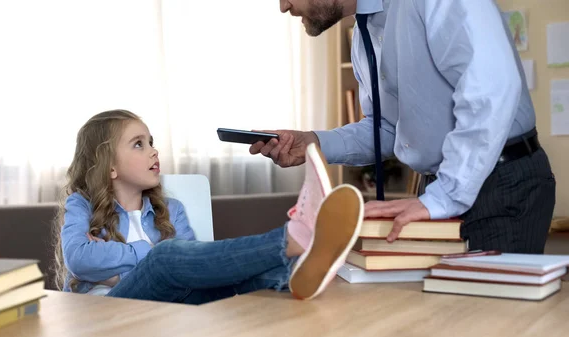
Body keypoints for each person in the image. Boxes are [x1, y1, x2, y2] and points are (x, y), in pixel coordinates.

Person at [251, 0, 556, 253]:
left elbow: (491, 89)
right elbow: (388, 129)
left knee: (488, 322)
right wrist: (314, 143)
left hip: (499, 183)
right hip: (443, 185)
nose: (283, 5)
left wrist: (444, 196)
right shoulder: (364, 34)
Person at [52, 109, 364, 304]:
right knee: (165, 256)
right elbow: (79, 260)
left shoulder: (171, 209)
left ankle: (294, 272)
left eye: (151, 141)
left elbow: (193, 268)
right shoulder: (81, 204)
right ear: (109, 168)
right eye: (139, 144)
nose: (153, 151)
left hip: (165, 310)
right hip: (104, 318)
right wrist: (146, 256)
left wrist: (113, 270)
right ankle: (293, 239)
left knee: (222, 279)